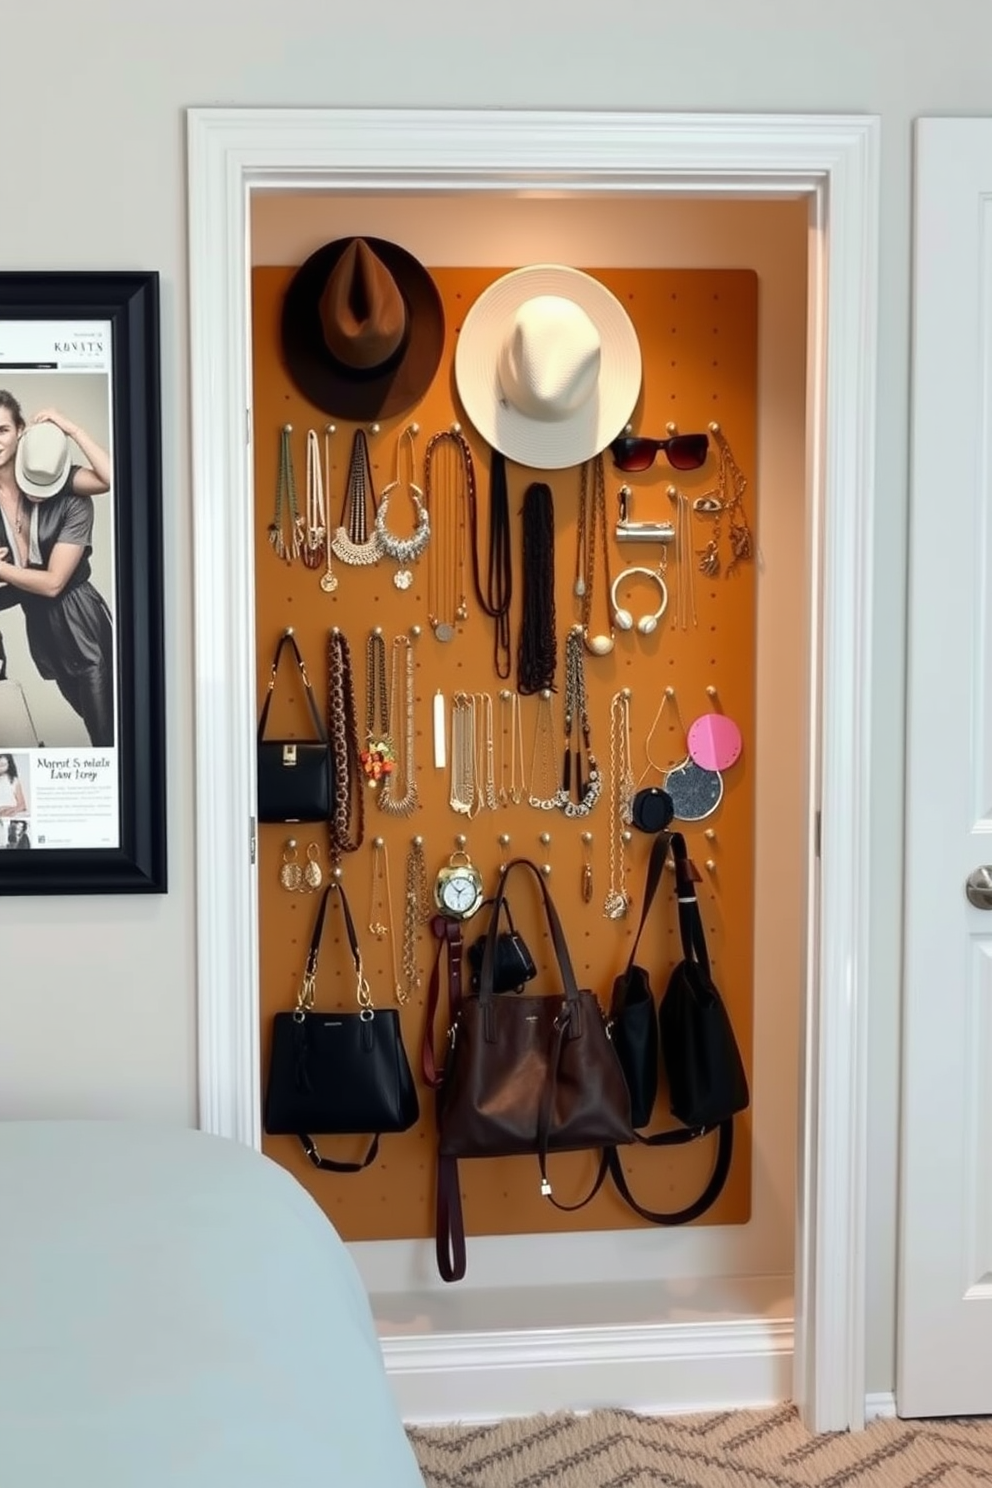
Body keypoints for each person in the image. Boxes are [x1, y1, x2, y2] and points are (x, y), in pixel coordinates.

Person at [0, 392, 115, 748]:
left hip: (80, 620)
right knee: (91, 719)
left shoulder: (48, 473)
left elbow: (109, 478)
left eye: (2, 429)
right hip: (42, 626)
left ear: (20, 431)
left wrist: (71, 428)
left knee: (107, 733)